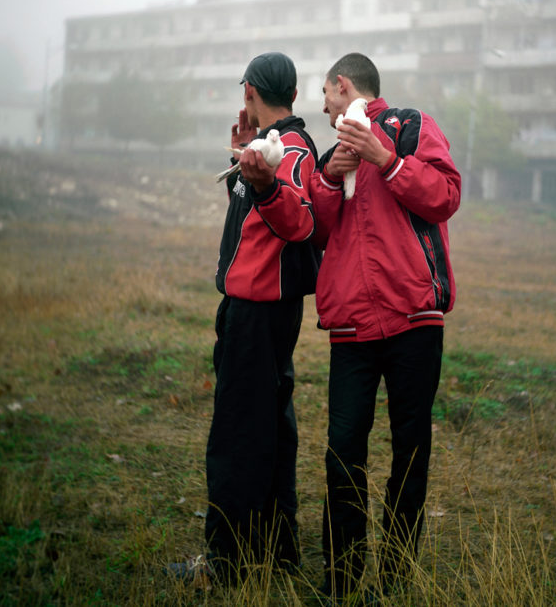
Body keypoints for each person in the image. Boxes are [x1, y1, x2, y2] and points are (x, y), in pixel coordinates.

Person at [310, 52, 461, 601]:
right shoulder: (331, 155)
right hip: (351, 328)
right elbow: (314, 229)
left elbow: (446, 197)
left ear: (343, 85)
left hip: (414, 320)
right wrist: (329, 179)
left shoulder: (411, 126)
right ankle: (342, 583)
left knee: (409, 452)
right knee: (342, 452)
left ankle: (396, 580)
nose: (322, 106)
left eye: (325, 94)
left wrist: (388, 160)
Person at [173, 51, 321, 585]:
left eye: (246, 94)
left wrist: (263, 183)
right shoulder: (271, 147)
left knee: (237, 434)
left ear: (249, 93)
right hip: (267, 310)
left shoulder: (292, 150)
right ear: (296, 96)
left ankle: (224, 564)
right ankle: (278, 553)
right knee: (272, 430)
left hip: (257, 311)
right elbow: (255, 223)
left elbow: (302, 224)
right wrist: (244, 164)